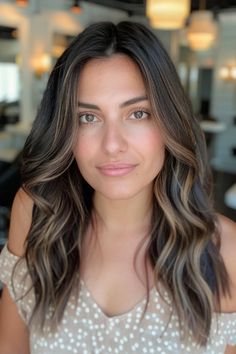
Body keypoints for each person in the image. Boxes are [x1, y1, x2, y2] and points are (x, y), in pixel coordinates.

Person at [0, 21, 235, 354]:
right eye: (88, 118)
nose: (112, 145)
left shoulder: (223, 248)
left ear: (170, 122)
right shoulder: (39, 213)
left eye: (138, 113)